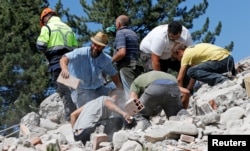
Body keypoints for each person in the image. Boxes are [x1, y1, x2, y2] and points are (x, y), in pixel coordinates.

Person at [60, 32, 123, 108]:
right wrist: (64, 69)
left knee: (118, 98)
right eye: (95, 44)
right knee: (86, 110)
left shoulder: (105, 59)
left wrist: (119, 89)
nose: (96, 48)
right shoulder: (81, 52)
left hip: (97, 87)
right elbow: (64, 58)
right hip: (79, 88)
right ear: (92, 43)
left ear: (103, 47)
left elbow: (113, 74)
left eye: (99, 46)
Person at [36, 8, 78, 121]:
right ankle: (79, 112)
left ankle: (71, 117)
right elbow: (76, 47)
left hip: (57, 63)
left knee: (64, 90)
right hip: (71, 63)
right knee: (73, 88)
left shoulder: (47, 27)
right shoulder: (68, 28)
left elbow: (40, 45)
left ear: (45, 18)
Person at [139, 21, 193, 87]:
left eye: (177, 37)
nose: (175, 40)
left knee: (187, 68)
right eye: (172, 37)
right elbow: (155, 61)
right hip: (149, 53)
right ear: (168, 31)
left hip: (170, 54)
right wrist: (160, 80)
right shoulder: (160, 37)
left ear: (181, 32)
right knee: (155, 78)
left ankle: (186, 92)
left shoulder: (186, 34)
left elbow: (190, 53)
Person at [171, 42, 236, 90]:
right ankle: (223, 77)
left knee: (190, 71)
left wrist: (182, 94)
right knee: (192, 71)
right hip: (229, 61)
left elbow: (179, 79)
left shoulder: (186, 55)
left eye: (178, 58)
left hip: (223, 61)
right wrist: (189, 88)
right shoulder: (192, 50)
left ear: (179, 52)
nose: (179, 60)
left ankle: (221, 79)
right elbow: (194, 74)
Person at [112, 15, 144, 96]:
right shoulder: (133, 33)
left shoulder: (120, 33)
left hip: (126, 67)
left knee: (131, 94)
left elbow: (122, 52)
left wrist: (111, 60)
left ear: (118, 24)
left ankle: (132, 109)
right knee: (138, 93)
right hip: (136, 66)